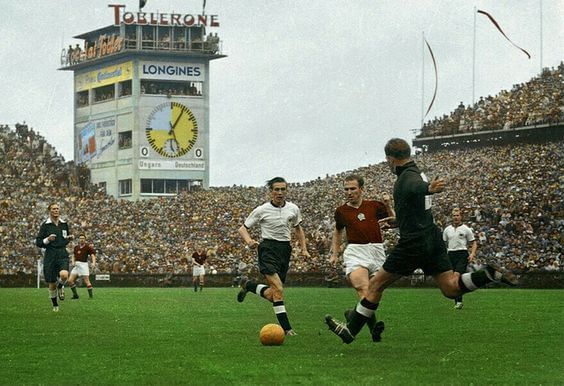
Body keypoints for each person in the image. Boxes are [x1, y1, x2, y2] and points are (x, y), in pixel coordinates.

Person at [325, 138, 517, 344]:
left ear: (390, 159)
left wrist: (429, 188)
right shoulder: (417, 171)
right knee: (451, 288)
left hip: (413, 243)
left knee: (374, 286)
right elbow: (416, 195)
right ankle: (488, 274)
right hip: (431, 237)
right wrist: (400, 220)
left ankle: (350, 332)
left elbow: (415, 187)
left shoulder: (407, 178)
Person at [237, 177, 311, 336]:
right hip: (267, 249)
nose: (279, 192)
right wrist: (249, 241)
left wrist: (304, 249)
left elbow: (298, 229)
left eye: (282, 189)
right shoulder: (261, 210)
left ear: (286, 191)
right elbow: (242, 229)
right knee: (278, 288)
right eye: (276, 189)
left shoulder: (293, 208)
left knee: (273, 294)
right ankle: (287, 329)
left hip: (285, 250)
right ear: (271, 192)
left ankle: (248, 285)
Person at [329, 174, 395, 342]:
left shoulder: (374, 206)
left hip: (377, 251)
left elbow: (394, 220)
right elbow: (337, 231)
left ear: (361, 189)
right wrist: (335, 253)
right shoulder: (341, 211)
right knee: (363, 288)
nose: (349, 192)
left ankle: (353, 315)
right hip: (356, 251)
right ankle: (373, 328)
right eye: (346, 189)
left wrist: (388, 204)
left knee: (375, 291)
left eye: (353, 189)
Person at [35, 203, 74, 312]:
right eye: (53, 209)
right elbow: (38, 242)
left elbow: (64, 239)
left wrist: (69, 238)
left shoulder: (64, 224)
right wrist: (48, 239)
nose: (56, 210)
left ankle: (61, 285)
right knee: (51, 283)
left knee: (64, 275)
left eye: (57, 208)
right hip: (50, 254)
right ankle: (55, 305)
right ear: (50, 211)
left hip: (62, 252)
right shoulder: (45, 225)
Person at [443, 208, 477, 309]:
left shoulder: (466, 229)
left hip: (462, 254)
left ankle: (458, 302)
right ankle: (458, 301)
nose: (456, 217)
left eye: (457, 215)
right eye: (454, 215)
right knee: (452, 280)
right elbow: (444, 243)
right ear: (451, 217)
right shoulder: (447, 229)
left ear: (461, 217)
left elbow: (474, 242)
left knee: (456, 277)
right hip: (451, 254)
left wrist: (472, 254)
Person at [68, 234, 96, 299]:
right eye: (80, 238)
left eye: (83, 238)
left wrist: (93, 263)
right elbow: (73, 255)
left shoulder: (87, 247)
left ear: (85, 239)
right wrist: (73, 262)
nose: (82, 239)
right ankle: (75, 295)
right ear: (79, 239)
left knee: (87, 281)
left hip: (83, 265)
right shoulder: (76, 247)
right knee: (70, 281)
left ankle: (91, 297)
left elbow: (92, 255)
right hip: (77, 265)